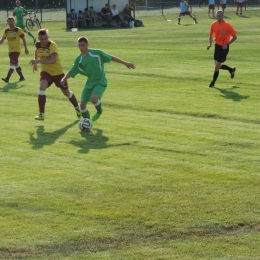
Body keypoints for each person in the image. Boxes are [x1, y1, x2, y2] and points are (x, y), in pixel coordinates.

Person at [60, 37, 135, 123]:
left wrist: (125, 63)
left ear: (88, 45)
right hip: (89, 83)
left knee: (94, 98)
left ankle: (99, 111)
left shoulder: (96, 53)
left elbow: (111, 58)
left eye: (83, 45)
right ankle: (87, 123)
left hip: (100, 81)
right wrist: (64, 78)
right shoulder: (79, 59)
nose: (81, 47)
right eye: (79, 45)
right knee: (82, 106)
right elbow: (72, 71)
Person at [29, 29, 80, 121]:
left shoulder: (52, 45)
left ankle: (77, 108)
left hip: (58, 73)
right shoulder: (38, 44)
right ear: (39, 39)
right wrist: (36, 63)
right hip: (46, 72)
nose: (44, 41)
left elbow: (53, 60)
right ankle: (42, 114)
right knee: (42, 87)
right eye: (42, 39)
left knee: (66, 93)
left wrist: (38, 61)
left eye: (45, 38)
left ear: (48, 37)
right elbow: (37, 50)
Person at [207, 10, 237, 88]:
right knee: (217, 66)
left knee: (217, 67)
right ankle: (231, 69)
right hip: (217, 46)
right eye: (217, 16)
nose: (218, 17)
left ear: (223, 16)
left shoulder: (227, 26)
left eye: (220, 16)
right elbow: (210, 34)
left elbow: (235, 37)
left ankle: (212, 83)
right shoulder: (214, 24)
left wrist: (227, 44)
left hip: (224, 48)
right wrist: (210, 44)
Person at [0, 16, 28, 83]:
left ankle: (7, 78)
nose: (11, 23)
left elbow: (24, 39)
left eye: (12, 22)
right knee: (16, 64)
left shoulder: (18, 30)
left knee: (12, 64)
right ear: (7, 23)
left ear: (14, 22)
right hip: (10, 51)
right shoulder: (6, 31)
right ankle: (22, 77)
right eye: (9, 22)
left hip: (17, 50)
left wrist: (26, 48)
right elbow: (2, 40)